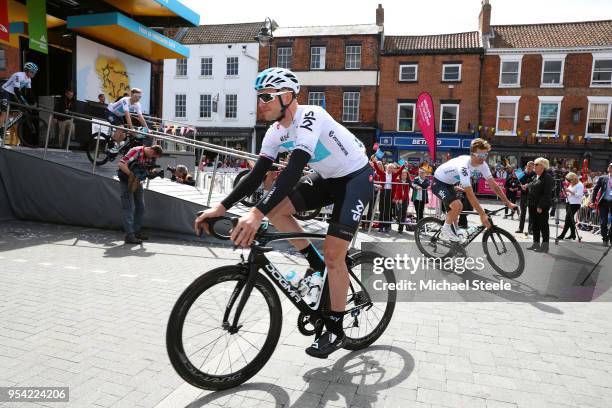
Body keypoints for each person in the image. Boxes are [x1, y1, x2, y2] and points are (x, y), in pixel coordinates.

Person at [194, 67, 372, 358]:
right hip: (327, 179)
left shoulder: (311, 116)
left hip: (355, 179)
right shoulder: (275, 132)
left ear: (287, 96)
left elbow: (292, 171)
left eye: (266, 96)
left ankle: (336, 328)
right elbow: (256, 176)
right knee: (277, 211)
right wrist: (220, 207)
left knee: (334, 254)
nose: (260, 103)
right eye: (258, 97)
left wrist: (256, 212)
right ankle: (315, 264)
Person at [431, 138, 518, 243]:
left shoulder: (483, 165)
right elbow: (470, 194)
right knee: (457, 206)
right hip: (439, 182)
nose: (483, 158)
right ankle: (445, 231)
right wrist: (482, 214)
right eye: (480, 155)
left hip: (449, 183)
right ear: (472, 154)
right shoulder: (464, 167)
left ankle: (454, 231)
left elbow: (494, 185)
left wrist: (508, 202)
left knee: (458, 207)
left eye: (485, 155)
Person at [117, 145, 163, 244]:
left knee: (140, 207)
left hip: (138, 181)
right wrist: (131, 175)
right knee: (128, 207)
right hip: (127, 180)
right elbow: (121, 164)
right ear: (151, 150)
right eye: (153, 155)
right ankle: (129, 235)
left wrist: (153, 173)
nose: (152, 158)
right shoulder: (136, 151)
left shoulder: (150, 158)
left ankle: (135, 232)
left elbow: (146, 171)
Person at [106, 88, 148, 153]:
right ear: (132, 95)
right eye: (136, 96)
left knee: (123, 135)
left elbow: (141, 117)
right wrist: (132, 129)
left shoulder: (137, 104)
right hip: (110, 112)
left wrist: (147, 129)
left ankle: (115, 146)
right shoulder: (125, 100)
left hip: (118, 115)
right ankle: (111, 146)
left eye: (140, 97)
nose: (138, 99)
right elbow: (127, 116)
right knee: (120, 128)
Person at [526, 157, 554, 253]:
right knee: (535, 226)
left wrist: (540, 206)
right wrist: (526, 186)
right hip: (532, 205)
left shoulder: (547, 177)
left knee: (543, 226)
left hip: (541, 206)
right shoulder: (535, 176)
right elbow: (533, 186)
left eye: (536, 164)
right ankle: (536, 244)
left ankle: (545, 246)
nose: (534, 166)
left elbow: (547, 194)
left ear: (542, 166)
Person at [556, 172, 583, 241]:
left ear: (573, 179)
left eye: (570, 180)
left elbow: (579, 195)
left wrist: (569, 191)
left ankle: (562, 235)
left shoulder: (580, 185)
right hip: (569, 203)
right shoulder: (571, 184)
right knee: (570, 219)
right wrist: (566, 192)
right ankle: (573, 234)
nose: (569, 182)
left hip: (575, 204)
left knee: (567, 219)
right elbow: (569, 193)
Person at [591, 163, 612, 246]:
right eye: (610, 167)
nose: (610, 168)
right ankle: (605, 239)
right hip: (603, 202)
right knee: (603, 222)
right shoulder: (603, 178)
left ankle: (611, 236)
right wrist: (593, 201)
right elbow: (595, 189)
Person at [516, 161, 536, 235]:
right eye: (528, 166)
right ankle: (520, 228)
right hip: (523, 195)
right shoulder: (521, 173)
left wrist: (528, 186)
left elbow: (535, 183)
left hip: (531, 195)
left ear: (533, 167)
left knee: (531, 213)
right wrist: (521, 186)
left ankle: (530, 230)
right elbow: (517, 183)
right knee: (522, 212)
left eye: (530, 166)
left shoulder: (535, 174)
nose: (529, 167)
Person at [393, 169, 411, 233]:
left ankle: (400, 229)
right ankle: (398, 220)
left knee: (403, 214)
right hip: (398, 199)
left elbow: (406, 192)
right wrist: (397, 198)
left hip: (405, 199)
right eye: (402, 174)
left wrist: (402, 199)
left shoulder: (408, 181)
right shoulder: (398, 180)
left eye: (405, 174)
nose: (403, 176)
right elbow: (397, 191)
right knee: (398, 212)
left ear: (407, 175)